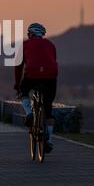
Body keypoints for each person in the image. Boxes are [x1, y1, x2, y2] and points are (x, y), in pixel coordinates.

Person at [14, 23, 58, 153]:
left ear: (31, 34)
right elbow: (53, 61)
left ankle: (28, 113)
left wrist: (17, 85)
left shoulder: (25, 45)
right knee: (48, 109)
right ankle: (49, 141)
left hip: (32, 75)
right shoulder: (51, 45)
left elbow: (18, 66)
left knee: (24, 92)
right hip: (50, 77)